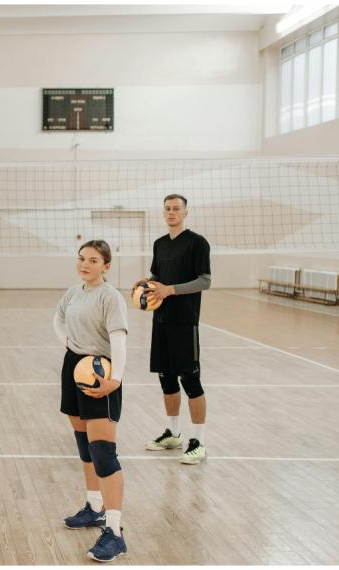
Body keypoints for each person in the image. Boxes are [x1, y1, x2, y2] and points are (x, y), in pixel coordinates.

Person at [54, 240, 129, 562]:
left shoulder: (109, 297)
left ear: (106, 266)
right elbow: (57, 319)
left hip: (100, 372)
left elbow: (119, 338)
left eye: (93, 260)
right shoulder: (73, 292)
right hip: (73, 367)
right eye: (82, 258)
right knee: (84, 445)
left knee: (103, 453)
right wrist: (67, 341)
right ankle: (94, 507)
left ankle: (114, 531)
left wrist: (116, 379)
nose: (85, 264)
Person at [132, 193, 211, 465]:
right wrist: (148, 282)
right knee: (166, 379)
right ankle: (173, 434)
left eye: (176, 208)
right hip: (161, 320)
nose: (171, 212)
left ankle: (198, 441)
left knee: (190, 380)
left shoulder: (197, 243)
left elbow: (205, 281)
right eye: (167, 208)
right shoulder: (159, 244)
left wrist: (171, 290)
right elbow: (159, 278)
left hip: (185, 320)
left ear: (186, 212)